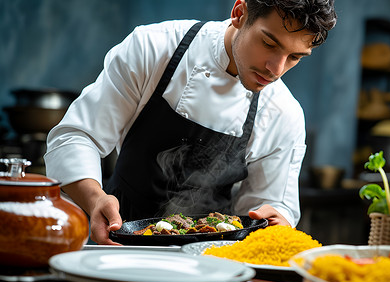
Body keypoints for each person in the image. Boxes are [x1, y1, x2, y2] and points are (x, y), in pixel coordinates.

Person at [44, 0, 337, 245]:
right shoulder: (153, 48)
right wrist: (95, 200)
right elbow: (76, 136)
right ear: (240, 13)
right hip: (119, 238)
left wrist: (275, 220)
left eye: (295, 57)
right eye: (269, 43)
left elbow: (272, 205)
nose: (277, 69)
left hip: (212, 260)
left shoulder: (283, 113)